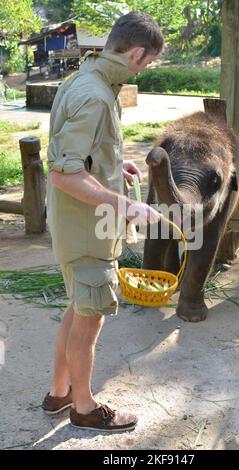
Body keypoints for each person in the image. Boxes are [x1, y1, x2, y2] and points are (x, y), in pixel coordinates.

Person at [42, 11, 164, 433]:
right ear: (136, 52)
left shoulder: (85, 79)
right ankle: (84, 407)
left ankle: (59, 393)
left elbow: (78, 154)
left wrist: (114, 167)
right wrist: (127, 205)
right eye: (145, 63)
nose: (142, 71)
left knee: (78, 308)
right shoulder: (96, 94)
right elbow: (63, 173)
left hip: (77, 223)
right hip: (87, 230)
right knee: (90, 318)